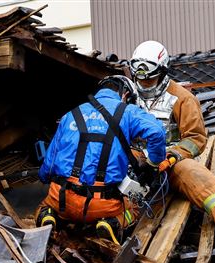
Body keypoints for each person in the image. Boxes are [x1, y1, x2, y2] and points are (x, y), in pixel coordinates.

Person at [130, 40, 215, 246]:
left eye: (150, 80)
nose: (145, 85)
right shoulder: (128, 95)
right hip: (136, 159)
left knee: (197, 176)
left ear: (162, 71)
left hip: (169, 161)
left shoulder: (182, 98)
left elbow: (196, 138)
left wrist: (173, 156)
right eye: (141, 80)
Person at [37, 75, 166, 244]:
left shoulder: (71, 114)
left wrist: (45, 178)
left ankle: (50, 216)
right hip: (102, 204)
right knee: (134, 208)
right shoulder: (127, 112)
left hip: (62, 199)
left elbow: (49, 162)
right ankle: (113, 223)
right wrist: (152, 165)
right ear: (125, 95)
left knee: (44, 206)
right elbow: (157, 132)